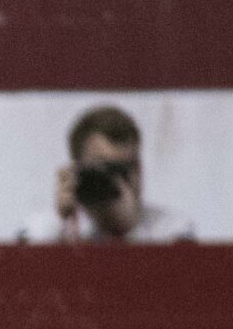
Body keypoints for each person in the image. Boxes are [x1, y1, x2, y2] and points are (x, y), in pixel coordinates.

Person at [18, 104, 195, 244]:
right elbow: (23, 276)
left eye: (125, 168)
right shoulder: (42, 229)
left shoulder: (171, 230)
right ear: (77, 170)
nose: (116, 180)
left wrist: (130, 231)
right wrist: (60, 221)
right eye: (105, 168)